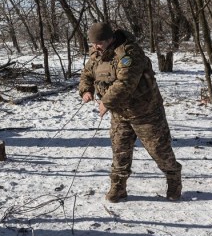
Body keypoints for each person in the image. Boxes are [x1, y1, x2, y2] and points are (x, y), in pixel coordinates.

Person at [78, 21, 182, 202]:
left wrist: (106, 102)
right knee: (120, 151)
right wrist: (87, 90)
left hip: (146, 112)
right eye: (93, 43)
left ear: (110, 38)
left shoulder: (129, 53)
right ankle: (118, 188)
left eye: (99, 43)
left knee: (159, 150)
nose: (96, 46)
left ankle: (173, 178)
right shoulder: (96, 53)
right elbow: (87, 73)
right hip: (120, 114)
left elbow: (125, 84)